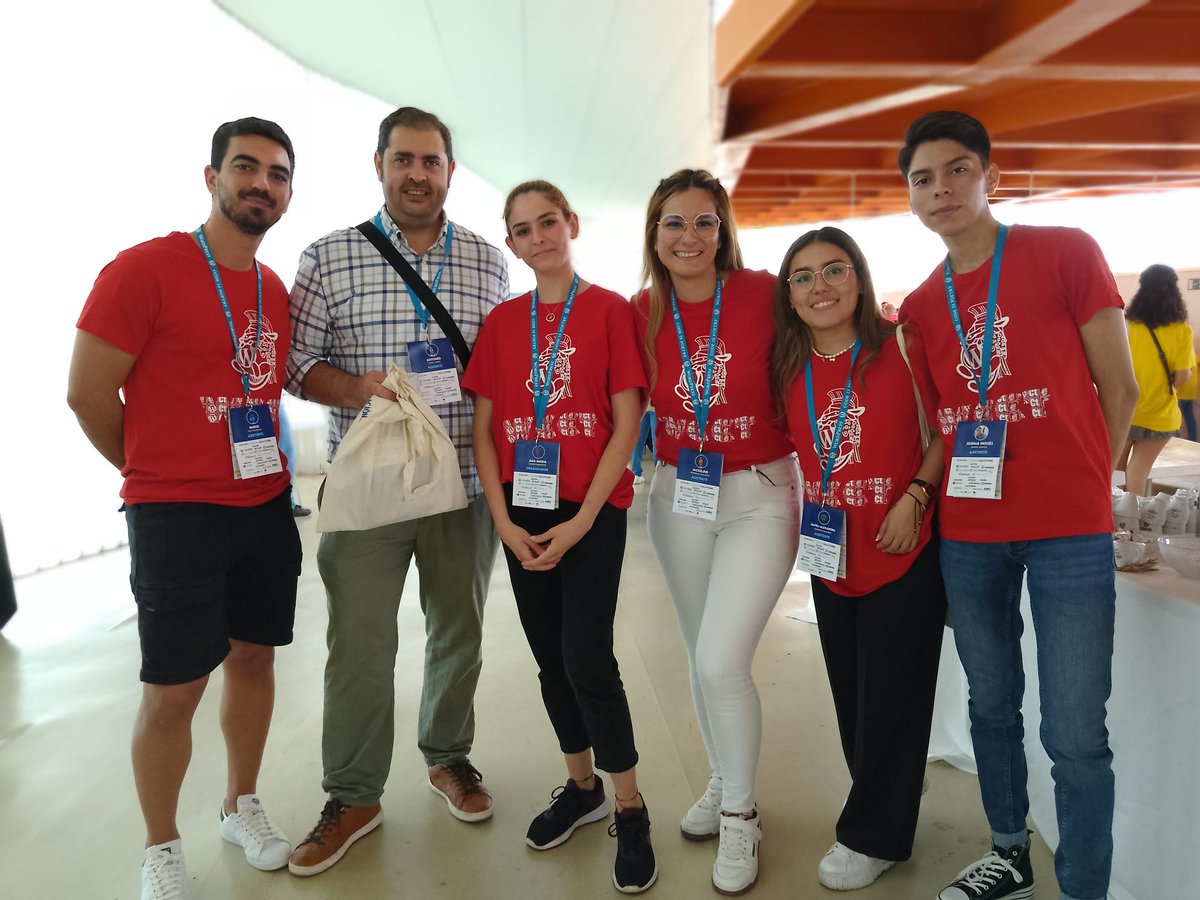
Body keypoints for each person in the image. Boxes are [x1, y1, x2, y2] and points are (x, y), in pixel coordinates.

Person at [896, 110, 1138, 900]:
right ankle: (1008, 852)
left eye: (958, 169)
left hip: (1070, 531)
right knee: (992, 705)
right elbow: (942, 422)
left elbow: (1122, 386)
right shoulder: (923, 309)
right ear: (910, 197)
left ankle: (1085, 887)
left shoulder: (1065, 252)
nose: (943, 189)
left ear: (989, 174)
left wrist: (1079, 481)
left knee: (1074, 732)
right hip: (970, 534)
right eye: (923, 179)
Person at [67, 117, 301, 900]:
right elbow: (89, 395)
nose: (260, 184)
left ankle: (241, 804)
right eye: (246, 167)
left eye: (276, 173)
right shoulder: (144, 270)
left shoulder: (272, 288)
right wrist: (157, 472)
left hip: (265, 503)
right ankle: (161, 847)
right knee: (173, 689)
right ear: (211, 177)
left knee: (254, 659)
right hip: (176, 516)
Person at [284, 106, 508, 877]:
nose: (418, 173)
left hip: (465, 484)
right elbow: (296, 364)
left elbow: (500, 373)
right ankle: (352, 795)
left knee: (460, 630)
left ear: (450, 170)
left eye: (432, 161)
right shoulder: (328, 256)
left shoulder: (486, 261)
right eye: (403, 159)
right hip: (368, 487)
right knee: (360, 646)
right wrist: (359, 386)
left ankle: (448, 758)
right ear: (379, 164)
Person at [462, 180, 657, 893]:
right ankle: (582, 788)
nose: (538, 237)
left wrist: (580, 522)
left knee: (587, 658)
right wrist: (504, 519)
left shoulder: (607, 311)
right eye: (523, 229)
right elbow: (484, 430)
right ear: (510, 242)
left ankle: (630, 808)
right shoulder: (503, 323)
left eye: (549, 222)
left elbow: (627, 421)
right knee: (549, 659)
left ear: (571, 224)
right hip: (522, 512)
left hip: (591, 509)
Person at [633, 169, 799, 895]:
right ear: (655, 234)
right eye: (674, 223)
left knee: (721, 661)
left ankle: (741, 812)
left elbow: (836, 331)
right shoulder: (641, 310)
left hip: (760, 492)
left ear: (724, 231)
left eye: (705, 222)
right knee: (701, 651)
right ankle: (722, 775)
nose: (690, 237)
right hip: (678, 494)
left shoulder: (765, 292)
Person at [768, 226, 946, 891]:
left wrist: (918, 494)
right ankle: (882, 804)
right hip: (829, 552)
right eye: (804, 276)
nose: (821, 287)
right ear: (788, 295)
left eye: (834, 270)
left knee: (893, 696)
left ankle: (874, 832)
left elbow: (947, 428)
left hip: (903, 546)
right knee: (853, 695)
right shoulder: (789, 367)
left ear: (860, 278)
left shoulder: (902, 346)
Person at [1120, 264, 1196, 491]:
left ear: (1142, 289)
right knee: (1138, 471)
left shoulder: (1126, 325)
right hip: (1159, 414)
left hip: (1123, 410)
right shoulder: (1181, 330)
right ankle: (1131, 525)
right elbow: (1183, 377)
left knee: (1115, 470)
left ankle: (1109, 520)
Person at [275, 404, 312, 516]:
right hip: (270, 405)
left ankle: (288, 502)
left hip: (270, 402)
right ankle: (288, 504)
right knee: (284, 456)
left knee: (285, 455)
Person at [630, 407, 657, 484]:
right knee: (656, 441)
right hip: (656, 405)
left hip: (642, 405)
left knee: (637, 440)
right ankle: (657, 474)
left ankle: (636, 473)